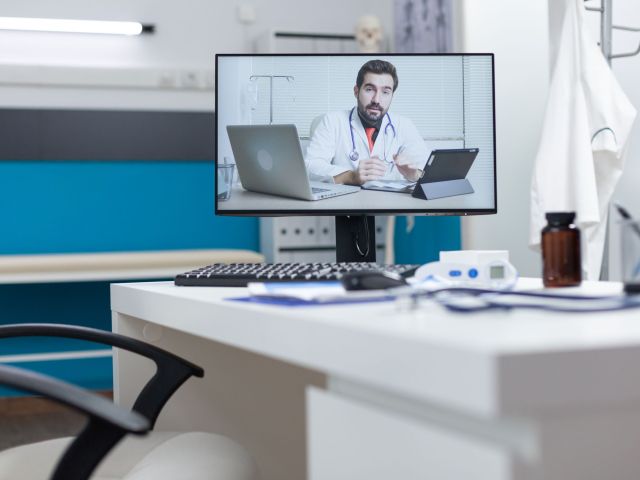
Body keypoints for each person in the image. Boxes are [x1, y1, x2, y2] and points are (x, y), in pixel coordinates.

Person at [305, 59, 427, 185]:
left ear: (391, 96)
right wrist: (351, 177)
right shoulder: (332, 121)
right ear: (356, 91)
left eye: (385, 92)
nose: (376, 100)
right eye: (369, 89)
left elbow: (426, 168)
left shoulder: (404, 125)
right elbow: (310, 167)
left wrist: (414, 174)